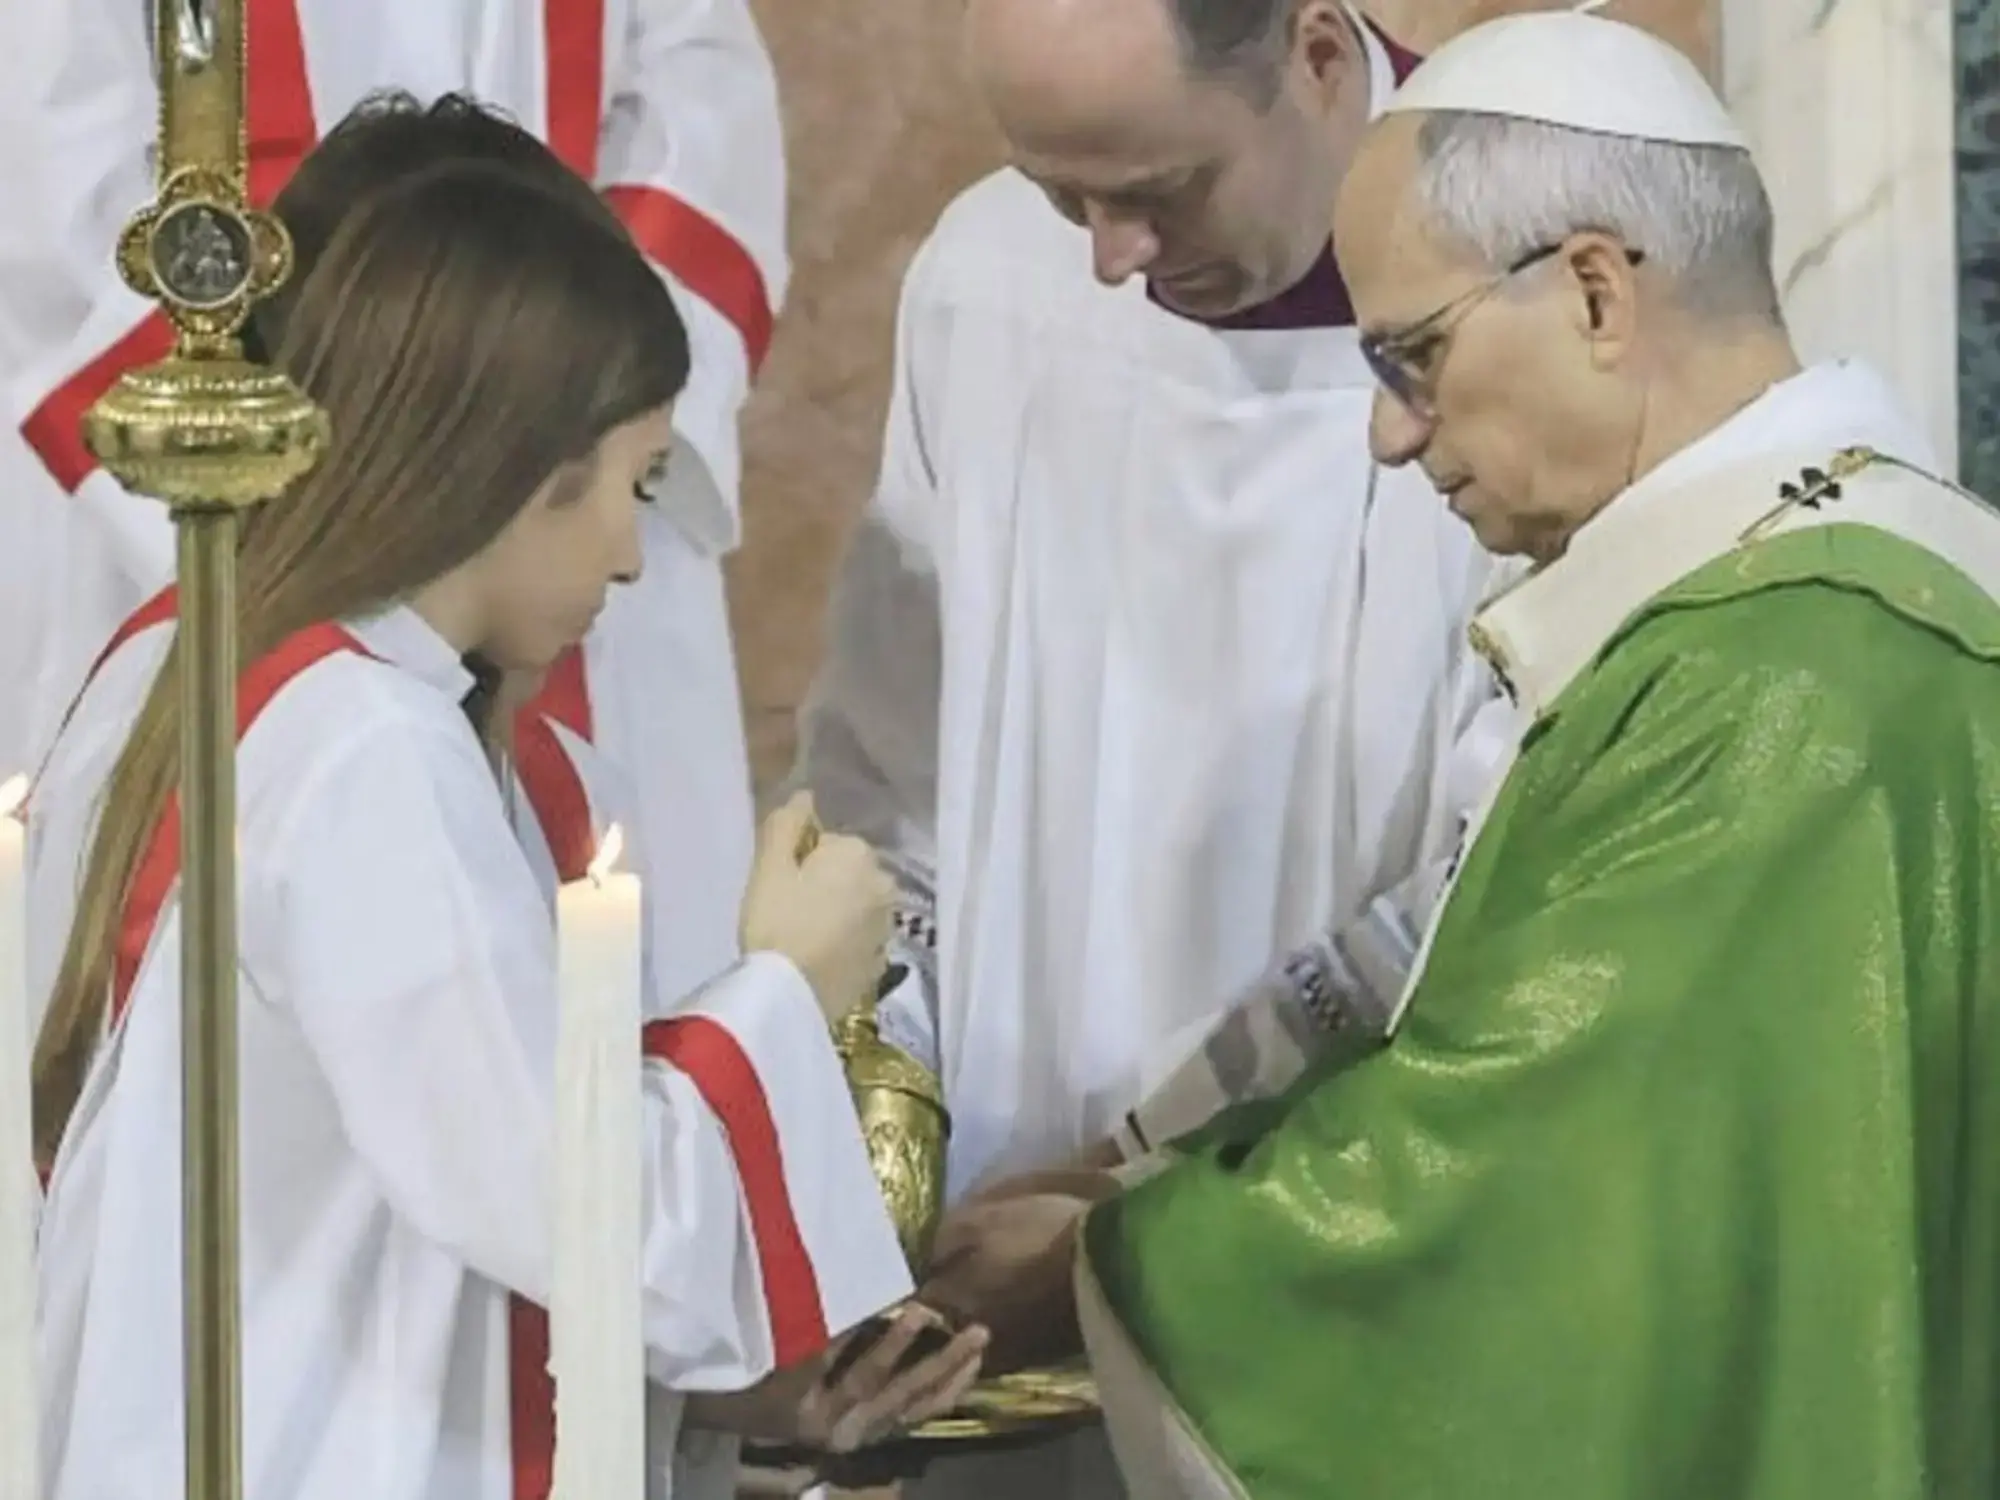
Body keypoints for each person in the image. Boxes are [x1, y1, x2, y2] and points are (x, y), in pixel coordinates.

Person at [926, 13, 2000, 1499]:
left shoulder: (1786, 675)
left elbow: (1495, 1187)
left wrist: (1114, 1259)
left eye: (1415, 357)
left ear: (1599, 295)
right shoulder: (1812, 604)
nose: (1388, 433)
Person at [27, 161, 984, 1500]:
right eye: (632, 489)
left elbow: (416, 1231)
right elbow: (576, 1219)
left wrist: (731, 1408)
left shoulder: (208, 665)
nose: (634, 561)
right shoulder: (372, 754)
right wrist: (787, 989)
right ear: (515, 470)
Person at [789, 3, 1508, 1490]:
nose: (1110, 257)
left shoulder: (1516, 303)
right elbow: (889, 786)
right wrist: (888, 1145)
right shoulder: (991, 281)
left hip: (1345, 1270)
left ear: (1315, 55)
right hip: (996, 1281)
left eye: (1158, 192)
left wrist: (1131, 1206)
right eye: (1067, 197)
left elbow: (1507, 892)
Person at [5, 0, 784, 1008]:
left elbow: (698, 104)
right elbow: (54, 198)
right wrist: (358, 502)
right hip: (252, 510)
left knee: (615, 1015)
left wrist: (565, 413)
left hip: (568, 479)